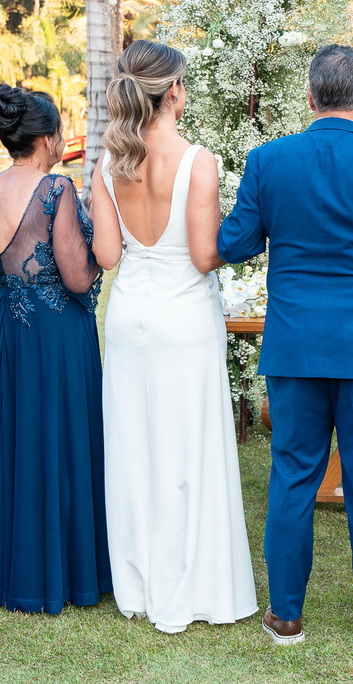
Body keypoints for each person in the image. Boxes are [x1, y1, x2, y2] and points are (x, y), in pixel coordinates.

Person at [218, 45, 353, 650]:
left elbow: (234, 245)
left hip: (295, 346)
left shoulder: (268, 159)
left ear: (310, 98)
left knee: (292, 476)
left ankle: (285, 615)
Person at [90, 39, 257, 633]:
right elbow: (206, 256)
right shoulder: (198, 160)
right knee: (188, 448)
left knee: (135, 448)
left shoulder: (108, 166)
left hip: (130, 315)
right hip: (184, 320)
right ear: (175, 92)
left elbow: (107, 255)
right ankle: (191, 585)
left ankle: (137, 582)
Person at [0, 84, 111, 613]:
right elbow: (74, 275)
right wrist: (102, 258)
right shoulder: (54, 190)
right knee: (56, 441)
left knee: (7, 441)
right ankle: (60, 573)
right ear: (47, 139)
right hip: (53, 335)